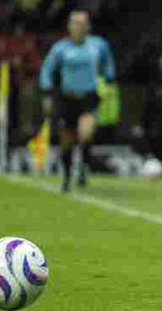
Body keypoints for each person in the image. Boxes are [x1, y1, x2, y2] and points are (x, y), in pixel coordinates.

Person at [39, 10, 116, 192]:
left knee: (85, 133)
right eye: (74, 23)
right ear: (69, 26)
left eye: (82, 24)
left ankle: (83, 167)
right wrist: (47, 91)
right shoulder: (60, 48)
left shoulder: (98, 45)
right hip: (67, 98)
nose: (78, 27)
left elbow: (108, 64)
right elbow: (47, 70)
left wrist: (109, 79)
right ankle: (67, 176)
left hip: (89, 96)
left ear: (88, 27)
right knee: (67, 141)